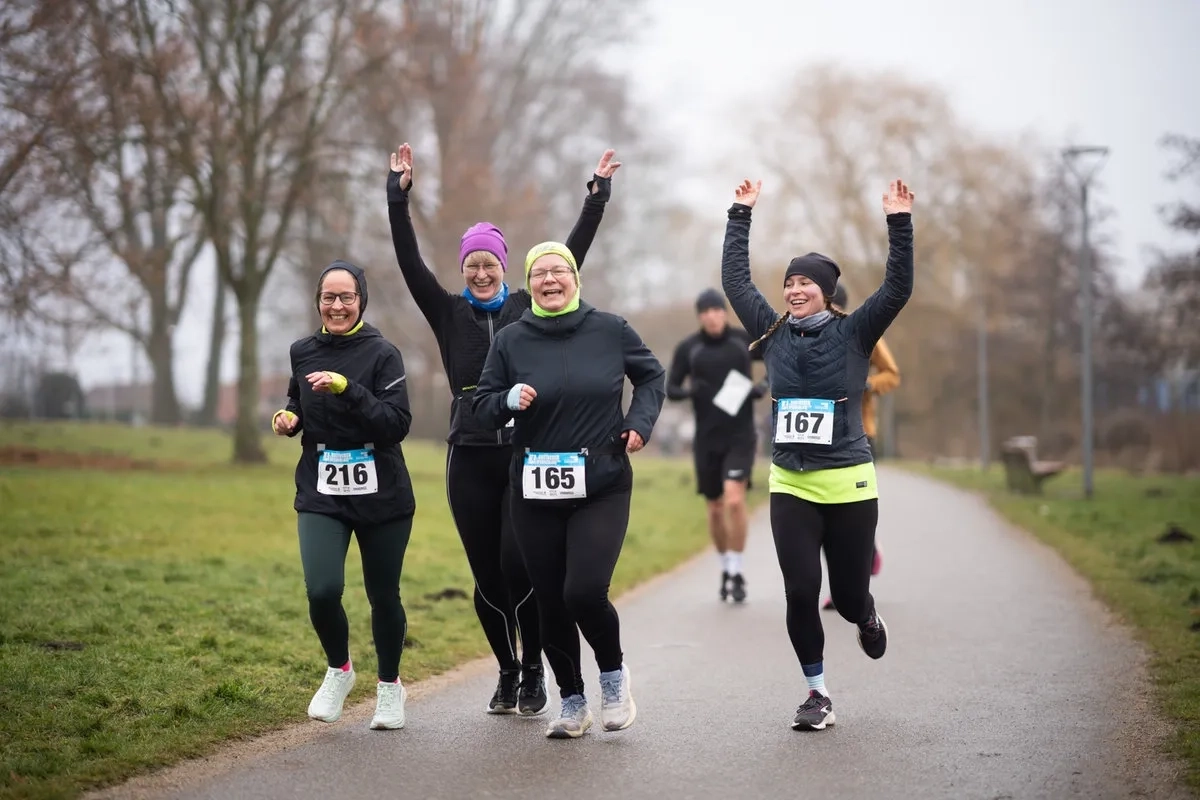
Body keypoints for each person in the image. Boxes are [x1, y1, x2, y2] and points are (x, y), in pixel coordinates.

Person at [386, 143, 619, 716]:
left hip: (524, 455)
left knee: (525, 569)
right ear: (463, 269)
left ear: (504, 266)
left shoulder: (525, 308)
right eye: (473, 264)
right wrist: (398, 196)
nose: (483, 272)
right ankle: (507, 670)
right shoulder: (445, 311)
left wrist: (596, 198)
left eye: (491, 262)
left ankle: (538, 668)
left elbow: (569, 257)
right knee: (488, 577)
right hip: (468, 457)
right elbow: (406, 258)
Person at [721, 177, 914, 731]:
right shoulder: (770, 334)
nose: (795, 290)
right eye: (789, 283)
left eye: (806, 282)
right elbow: (736, 279)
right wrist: (740, 214)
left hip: (849, 480)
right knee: (801, 589)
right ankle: (816, 692)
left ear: (827, 291)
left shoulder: (856, 333)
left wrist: (898, 223)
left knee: (849, 599)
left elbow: (897, 288)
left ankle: (867, 615)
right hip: (793, 482)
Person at [472, 241, 666, 739]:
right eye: (540, 273)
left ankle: (612, 676)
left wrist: (639, 423)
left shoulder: (610, 329)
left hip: (600, 481)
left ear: (576, 278)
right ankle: (572, 698)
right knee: (548, 600)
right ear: (529, 283)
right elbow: (482, 405)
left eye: (560, 271)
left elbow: (651, 377)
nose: (550, 280)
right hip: (533, 488)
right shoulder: (510, 341)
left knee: (583, 591)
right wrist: (507, 399)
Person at [271, 260, 416, 731]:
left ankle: (390, 687)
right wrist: (290, 419)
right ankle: (339, 669)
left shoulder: (383, 354)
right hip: (322, 486)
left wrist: (348, 388)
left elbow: (396, 424)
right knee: (323, 589)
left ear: (361, 301)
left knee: (383, 595)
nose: (337, 306)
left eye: (346, 297)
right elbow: (300, 399)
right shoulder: (302, 351)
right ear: (318, 301)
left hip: (382, 491)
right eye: (329, 297)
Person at [666, 288, 766, 604]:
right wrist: (691, 391)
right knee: (715, 508)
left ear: (725, 312)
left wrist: (762, 387)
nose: (712, 316)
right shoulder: (689, 348)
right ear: (700, 316)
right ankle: (725, 566)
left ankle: (736, 571)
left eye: (717, 310)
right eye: (705, 311)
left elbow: (779, 358)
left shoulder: (743, 340)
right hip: (707, 439)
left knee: (735, 501)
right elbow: (671, 388)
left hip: (740, 434)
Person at [822, 282, 900, 610]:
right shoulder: (809, 336)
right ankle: (838, 589)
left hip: (860, 432)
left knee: (852, 513)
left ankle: (866, 553)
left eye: (834, 309)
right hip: (823, 433)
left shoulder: (863, 332)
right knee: (825, 517)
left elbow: (892, 374)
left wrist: (867, 385)